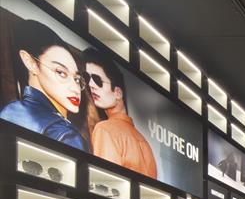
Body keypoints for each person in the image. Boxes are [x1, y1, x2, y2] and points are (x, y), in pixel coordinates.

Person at [1, 19, 90, 151]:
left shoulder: (10, 110)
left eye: (77, 79)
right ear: (31, 62)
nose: (75, 88)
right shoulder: (66, 135)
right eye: (61, 72)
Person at [83, 47, 157, 178]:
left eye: (97, 80)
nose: (91, 85)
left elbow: (104, 181)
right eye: (87, 78)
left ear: (118, 92)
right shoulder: (144, 142)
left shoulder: (105, 129)